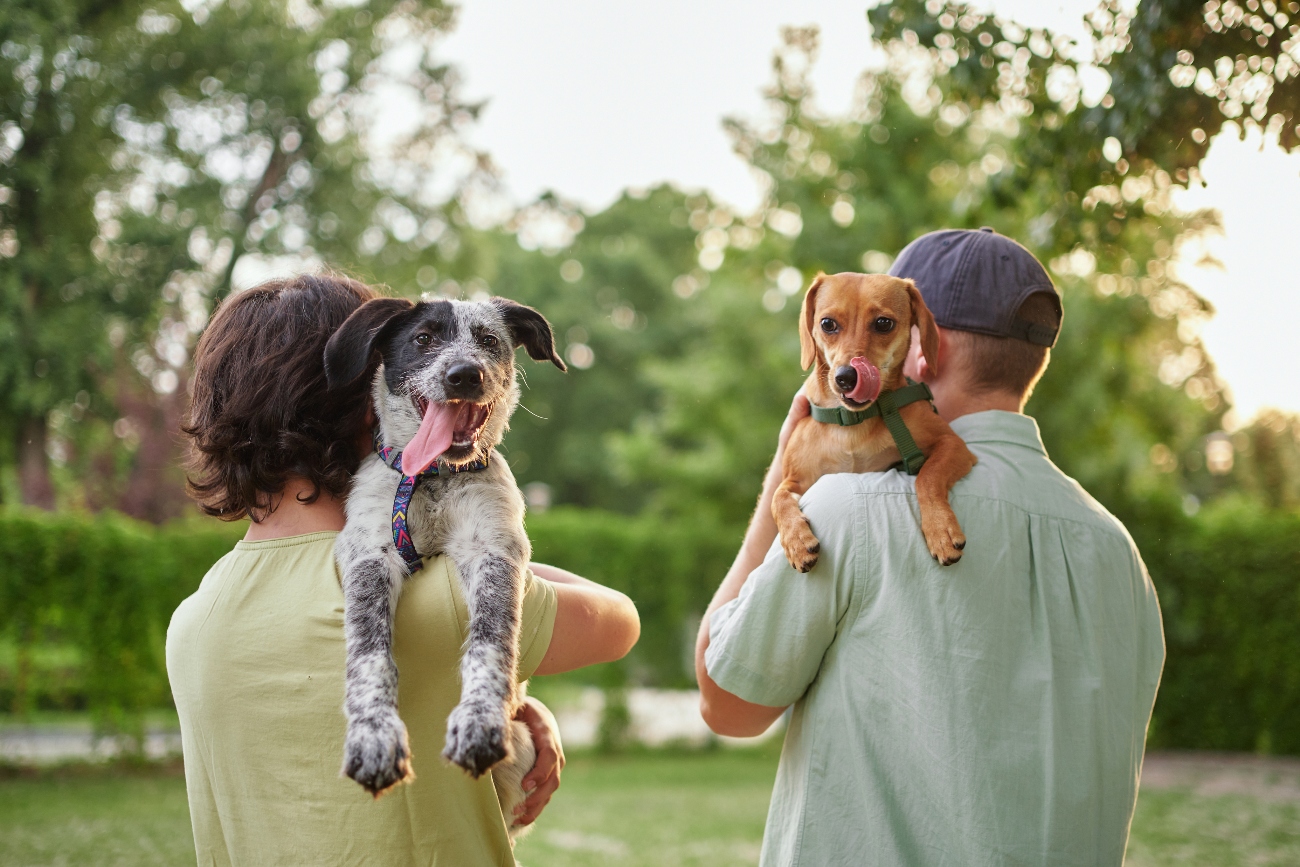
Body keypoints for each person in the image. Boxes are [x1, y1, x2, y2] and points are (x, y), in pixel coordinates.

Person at [695, 228, 1165, 865]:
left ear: (923, 353)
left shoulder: (845, 511)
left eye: (880, 326)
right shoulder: (1119, 551)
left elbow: (726, 702)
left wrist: (783, 473)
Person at [167, 273, 640, 867]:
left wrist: (511, 695)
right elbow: (619, 621)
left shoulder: (192, 622)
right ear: (364, 399)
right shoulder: (442, 602)